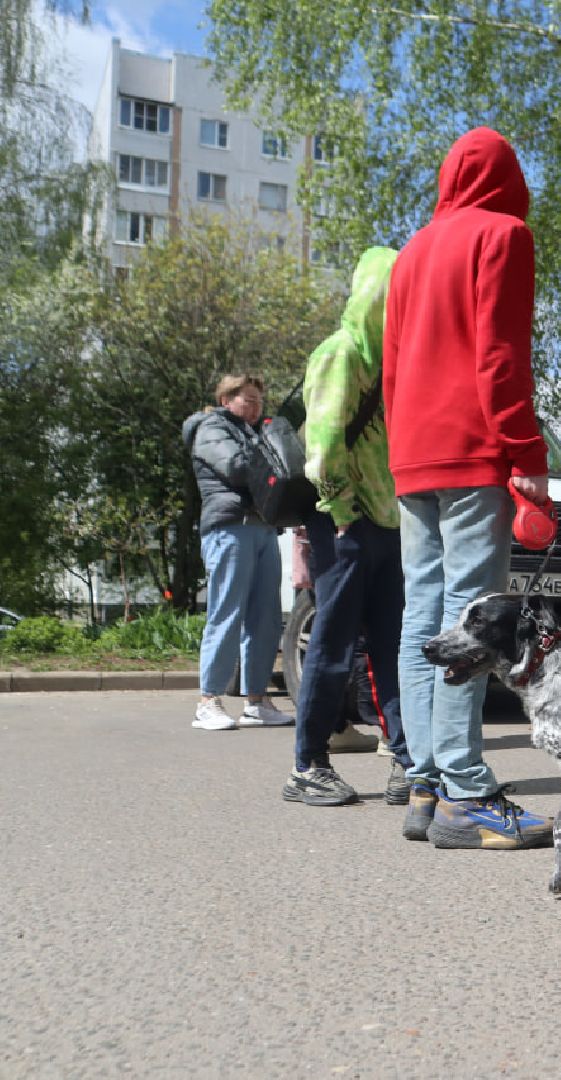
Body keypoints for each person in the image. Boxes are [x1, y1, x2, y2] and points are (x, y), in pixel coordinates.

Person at [384, 127, 552, 848]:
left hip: (413, 452)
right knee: (471, 619)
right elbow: (499, 353)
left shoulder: (410, 252)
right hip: (472, 447)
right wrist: (527, 450)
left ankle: (424, 782)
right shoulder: (503, 235)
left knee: (422, 614)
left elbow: (392, 367)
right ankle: (465, 793)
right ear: (507, 177)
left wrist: (402, 449)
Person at [281, 246, 413, 808]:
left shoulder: (389, 362)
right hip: (347, 522)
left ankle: (406, 759)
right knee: (333, 645)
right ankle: (308, 765)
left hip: (384, 524)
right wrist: (341, 515)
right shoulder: (341, 353)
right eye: (393, 295)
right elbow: (324, 448)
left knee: (392, 648)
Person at [184, 374, 295, 732]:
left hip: (263, 528)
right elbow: (235, 467)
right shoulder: (211, 427)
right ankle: (208, 701)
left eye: (259, 401)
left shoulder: (254, 430)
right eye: (248, 400)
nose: (256, 407)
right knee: (226, 613)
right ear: (226, 399)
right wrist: (271, 450)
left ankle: (257, 701)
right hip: (230, 528)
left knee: (265, 619)